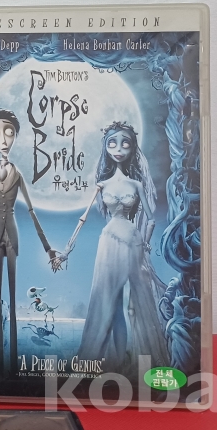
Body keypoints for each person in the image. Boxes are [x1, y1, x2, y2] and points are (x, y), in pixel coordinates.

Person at [56, 121, 170, 369]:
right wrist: (67, 250)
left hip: (132, 241)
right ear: (106, 148)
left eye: (125, 143)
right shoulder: (102, 185)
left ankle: (135, 358)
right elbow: (83, 218)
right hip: (109, 242)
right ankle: (115, 359)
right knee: (109, 299)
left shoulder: (136, 185)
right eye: (112, 143)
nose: (118, 149)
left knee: (136, 299)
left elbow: (150, 218)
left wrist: (145, 242)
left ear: (132, 148)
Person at [0, 109, 60, 376]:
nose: (3, 138)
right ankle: (0, 361)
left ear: (16, 136)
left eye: (9, 132)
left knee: (11, 292)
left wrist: (48, 248)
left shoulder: (17, 174)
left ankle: (12, 363)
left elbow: (31, 211)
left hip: (13, 234)